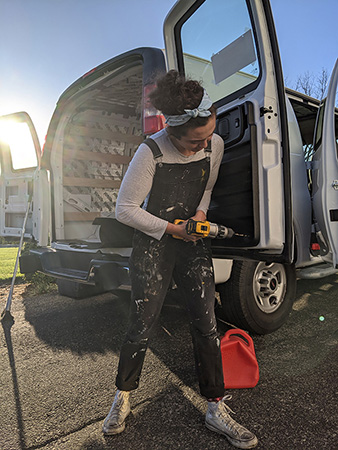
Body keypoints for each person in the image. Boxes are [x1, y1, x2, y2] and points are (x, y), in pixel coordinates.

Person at [102, 70, 258, 449]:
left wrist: (200, 216)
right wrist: (173, 230)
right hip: (155, 242)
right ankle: (121, 398)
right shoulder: (150, 151)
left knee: (206, 324)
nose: (201, 146)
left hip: (193, 240)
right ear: (172, 133)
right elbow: (125, 209)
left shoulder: (214, 144)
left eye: (207, 138)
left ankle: (215, 407)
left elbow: (206, 188)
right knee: (142, 321)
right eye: (193, 142)